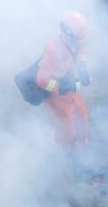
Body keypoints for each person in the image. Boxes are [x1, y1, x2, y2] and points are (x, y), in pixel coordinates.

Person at [35, 11, 91, 151]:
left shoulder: (77, 41)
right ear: (65, 32)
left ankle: (82, 141)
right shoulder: (52, 49)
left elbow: (80, 56)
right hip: (55, 91)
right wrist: (62, 87)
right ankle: (65, 150)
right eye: (75, 39)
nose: (78, 43)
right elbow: (41, 80)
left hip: (70, 88)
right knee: (67, 125)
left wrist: (83, 70)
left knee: (82, 113)